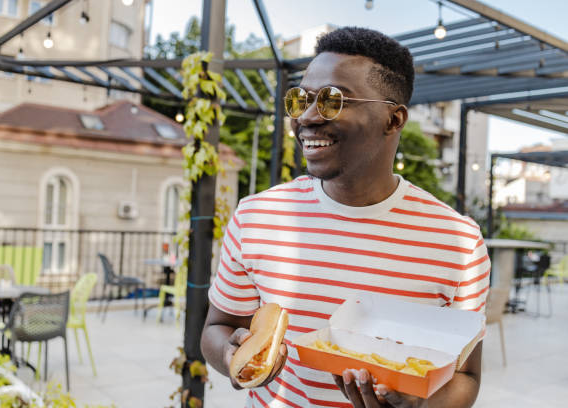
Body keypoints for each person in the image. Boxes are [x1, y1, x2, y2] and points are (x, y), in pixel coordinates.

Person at [201, 26, 490, 408]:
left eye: (332, 100)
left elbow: (465, 377)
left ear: (393, 119)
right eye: (300, 99)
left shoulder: (458, 242)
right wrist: (231, 356)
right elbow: (218, 328)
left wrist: (418, 405)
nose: (306, 117)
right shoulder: (256, 215)